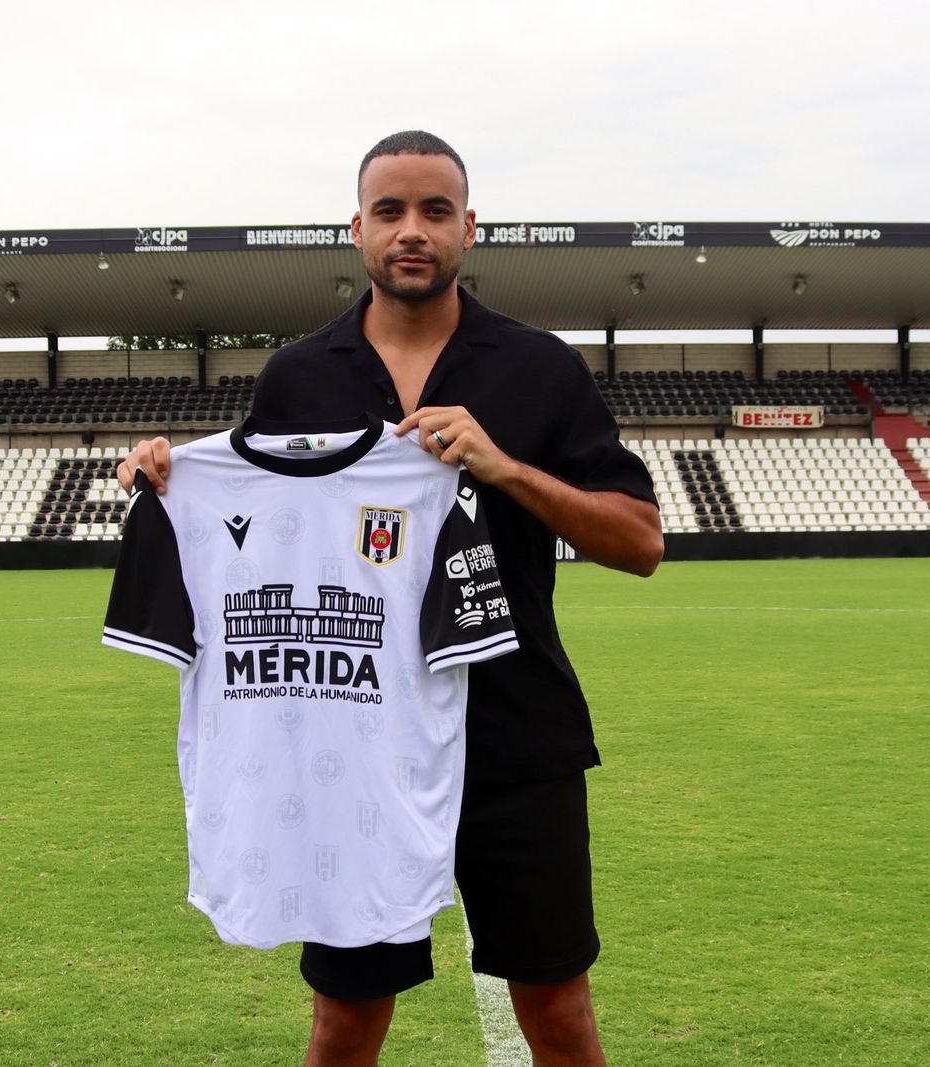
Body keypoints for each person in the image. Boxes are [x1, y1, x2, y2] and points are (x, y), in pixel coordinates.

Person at [117, 130, 662, 1066]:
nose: (413, 231)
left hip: (515, 731)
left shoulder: (539, 367)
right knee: (346, 1017)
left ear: (470, 229)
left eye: (436, 211)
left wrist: (504, 467)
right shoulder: (301, 375)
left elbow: (640, 541)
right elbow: (253, 515)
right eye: (391, 211)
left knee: (558, 1006)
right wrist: (165, 476)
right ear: (357, 228)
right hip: (353, 746)